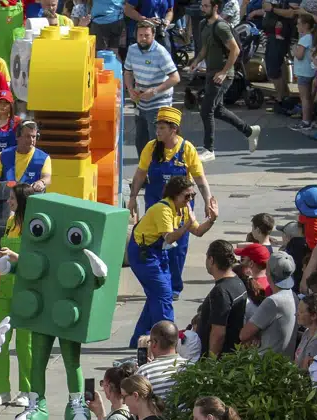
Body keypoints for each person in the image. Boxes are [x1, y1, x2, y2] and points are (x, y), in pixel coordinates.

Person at [127, 108, 212, 300]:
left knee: (177, 249)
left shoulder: (187, 149)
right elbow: (140, 174)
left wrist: (208, 200)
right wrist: (132, 197)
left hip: (180, 209)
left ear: (174, 129)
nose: (157, 131)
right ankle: (158, 283)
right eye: (157, 127)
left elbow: (200, 179)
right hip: (155, 206)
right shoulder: (151, 147)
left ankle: (174, 287)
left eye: (162, 128)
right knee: (153, 244)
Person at [128, 176, 219, 345]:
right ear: (174, 195)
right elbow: (169, 238)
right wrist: (186, 225)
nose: (190, 199)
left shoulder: (183, 208)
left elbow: (198, 231)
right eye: (187, 196)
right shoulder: (162, 209)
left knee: (158, 294)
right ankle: (168, 342)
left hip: (158, 252)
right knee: (163, 295)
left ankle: (139, 339)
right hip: (143, 254)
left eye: (193, 196)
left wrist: (212, 219)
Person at [192, 0, 263, 160]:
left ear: (215, 7)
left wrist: (224, 72)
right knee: (218, 110)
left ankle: (209, 149)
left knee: (206, 110)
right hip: (211, 72)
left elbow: (235, 50)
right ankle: (249, 131)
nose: (203, 9)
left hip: (223, 74)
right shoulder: (204, 24)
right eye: (202, 5)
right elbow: (205, 47)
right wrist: (196, 61)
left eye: (206, 6)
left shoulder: (221, 26)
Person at [124, 23, 182, 155]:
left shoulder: (160, 52)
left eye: (147, 35)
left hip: (159, 103)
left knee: (157, 142)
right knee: (141, 142)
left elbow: (175, 78)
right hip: (140, 102)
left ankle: (158, 166)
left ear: (153, 35)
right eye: (140, 35)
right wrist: (130, 89)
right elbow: (127, 72)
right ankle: (144, 166)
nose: (143, 39)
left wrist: (155, 91)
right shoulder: (132, 49)